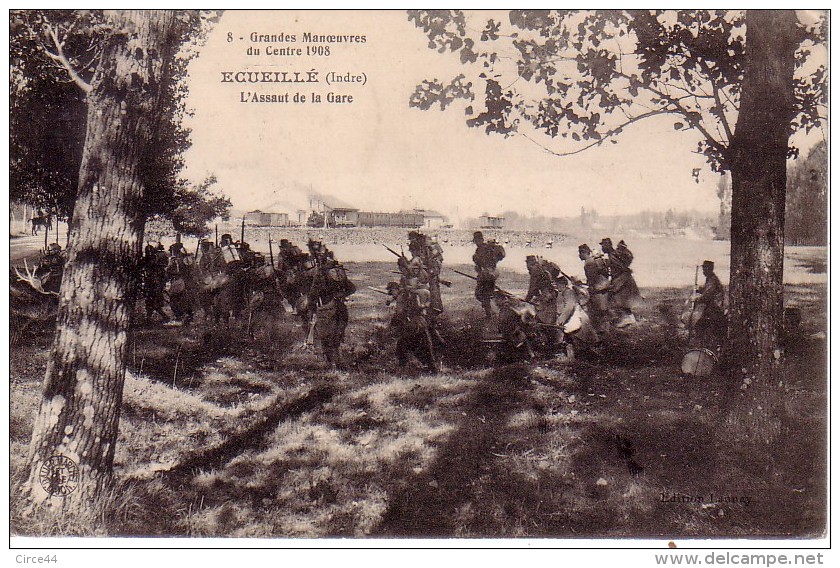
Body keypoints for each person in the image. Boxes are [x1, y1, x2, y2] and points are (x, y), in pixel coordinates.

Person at [388, 277, 437, 372]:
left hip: (415, 324)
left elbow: (409, 309)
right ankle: (428, 367)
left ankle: (406, 369)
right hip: (418, 323)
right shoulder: (408, 294)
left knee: (404, 346)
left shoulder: (411, 295)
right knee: (419, 346)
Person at [600, 237, 642, 328]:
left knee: (619, 300)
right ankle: (630, 318)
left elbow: (620, 268)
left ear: (607, 246)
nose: (602, 248)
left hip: (621, 280)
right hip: (624, 279)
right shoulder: (614, 254)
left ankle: (626, 319)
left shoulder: (612, 255)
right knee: (623, 300)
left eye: (602, 246)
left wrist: (615, 282)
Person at [472, 231, 505, 318]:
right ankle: (491, 311)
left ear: (481, 240)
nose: (476, 243)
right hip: (488, 273)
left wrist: (485, 272)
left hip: (489, 273)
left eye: (477, 240)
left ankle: (491, 313)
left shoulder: (485, 248)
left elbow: (490, 260)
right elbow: (479, 265)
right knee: (482, 294)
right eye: (475, 241)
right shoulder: (480, 249)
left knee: (482, 294)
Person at [693, 260, 726, 348]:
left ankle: (705, 346)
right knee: (700, 325)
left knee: (701, 326)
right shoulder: (710, 279)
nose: (703, 271)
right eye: (703, 269)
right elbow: (706, 290)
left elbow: (707, 296)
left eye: (705, 269)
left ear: (709, 269)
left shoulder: (713, 280)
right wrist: (699, 289)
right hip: (712, 308)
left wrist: (696, 299)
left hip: (715, 309)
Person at [578, 244, 610, 332]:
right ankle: (605, 330)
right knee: (603, 310)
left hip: (598, 289)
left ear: (584, 252)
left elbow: (592, 278)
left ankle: (603, 331)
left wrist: (586, 286)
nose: (579, 255)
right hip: (603, 286)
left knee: (600, 311)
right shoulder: (593, 260)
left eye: (580, 253)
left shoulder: (589, 263)